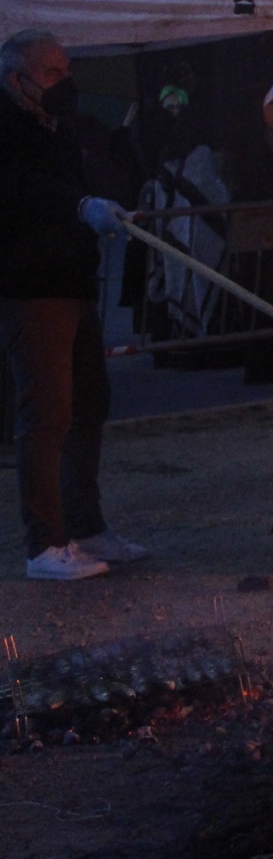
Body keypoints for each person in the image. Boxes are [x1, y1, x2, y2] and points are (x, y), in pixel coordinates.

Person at [0, 29, 149, 580]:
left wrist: (104, 210)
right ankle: (45, 543)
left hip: (73, 282)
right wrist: (80, 204)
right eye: (53, 72)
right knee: (46, 415)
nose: (66, 83)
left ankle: (86, 527)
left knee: (88, 404)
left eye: (68, 70)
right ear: (19, 79)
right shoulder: (7, 128)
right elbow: (20, 192)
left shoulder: (57, 127)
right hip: (32, 289)